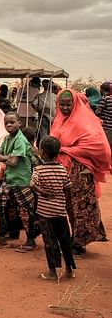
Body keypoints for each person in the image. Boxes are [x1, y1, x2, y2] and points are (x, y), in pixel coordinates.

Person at [51, 89, 111, 256]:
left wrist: (65, 150)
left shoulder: (84, 121)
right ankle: (76, 237)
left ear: (75, 103)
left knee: (82, 207)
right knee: (69, 207)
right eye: (61, 104)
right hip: (64, 171)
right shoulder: (59, 120)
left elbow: (99, 147)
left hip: (80, 172)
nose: (64, 107)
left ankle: (79, 242)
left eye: (68, 104)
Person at [0, 112, 40, 252]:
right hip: (10, 178)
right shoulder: (7, 139)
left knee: (26, 210)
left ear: (19, 123)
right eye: (6, 123)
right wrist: (6, 158)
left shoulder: (20, 140)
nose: (9, 125)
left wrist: (2, 157)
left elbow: (13, 161)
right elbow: (4, 158)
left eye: (12, 122)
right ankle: (2, 235)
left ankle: (30, 240)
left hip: (22, 180)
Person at [30, 136, 76, 281]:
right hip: (60, 212)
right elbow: (68, 190)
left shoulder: (38, 169)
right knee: (65, 241)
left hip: (45, 214)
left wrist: (43, 193)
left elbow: (31, 185)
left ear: (42, 152)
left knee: (50, 242)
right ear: (57, 153)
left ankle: (53, 271)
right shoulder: (62, 169)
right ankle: (69, 269)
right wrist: (69, 209)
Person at [32, 79, 57, 145]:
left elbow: (34, 103)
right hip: (54, 118)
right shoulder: (55, 97)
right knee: (53, 134)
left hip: (43, 117)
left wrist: (38, 109)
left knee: (43, 135)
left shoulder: (39, 96)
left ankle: (44, 148)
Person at [96, 81, 112, 150]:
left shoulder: (104, 99)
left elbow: (98, 112)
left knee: (106, 146)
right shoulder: (111, 98)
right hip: (111, 126)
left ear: (102, 89)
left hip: (105, 127)